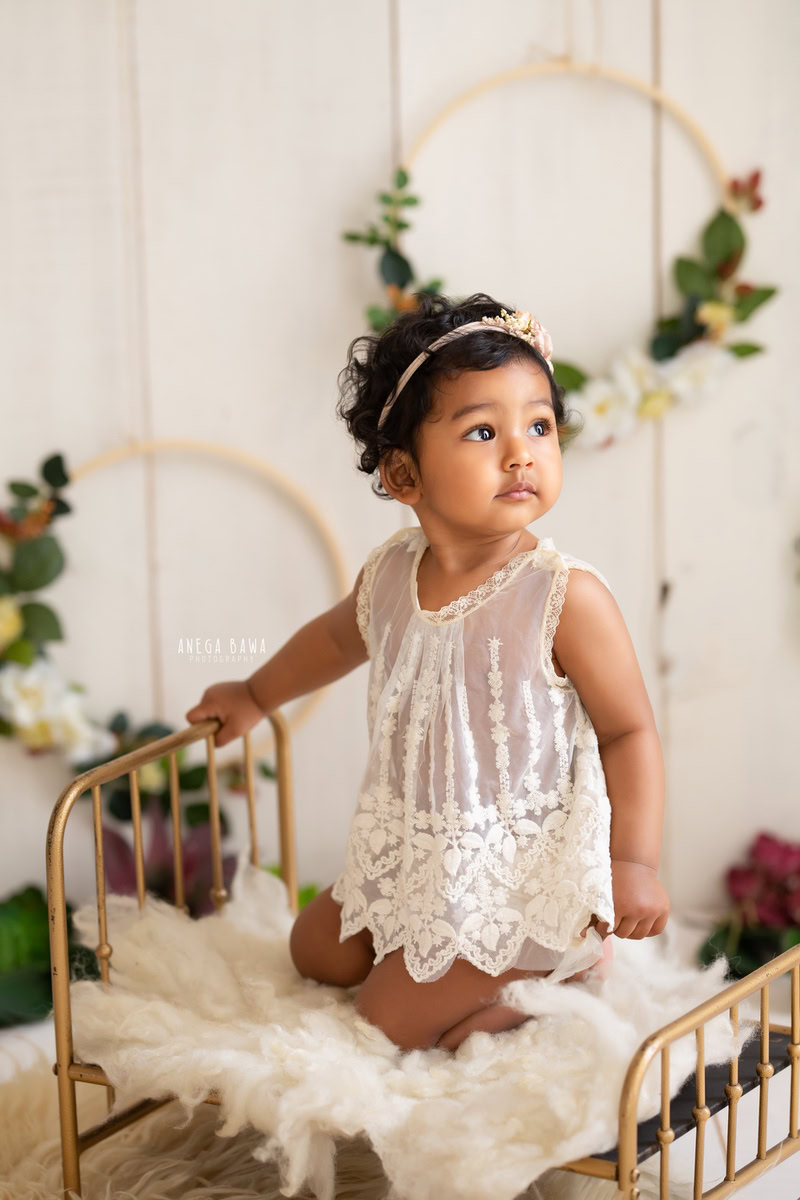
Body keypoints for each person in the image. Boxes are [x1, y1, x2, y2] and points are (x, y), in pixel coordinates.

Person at [186, 292, 670, 1054]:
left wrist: (632, 864)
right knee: (314, 951)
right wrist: (254, 694)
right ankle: (445, 962)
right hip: (423, 849)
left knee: (384, 1021)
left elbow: (629, 730)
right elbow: (332, 642)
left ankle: (557, 970)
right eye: (485, 430)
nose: (522, 452)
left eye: (539, 427)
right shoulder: (392, 575)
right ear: (405, 475)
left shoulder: (564, 596)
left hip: (517, 875)